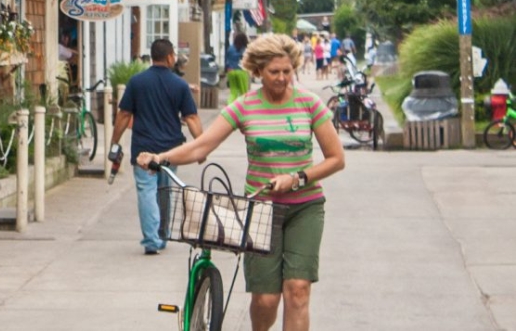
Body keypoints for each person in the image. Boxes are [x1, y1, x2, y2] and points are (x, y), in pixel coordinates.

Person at [137, 34, 345, 331]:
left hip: (305, 208)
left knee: (298, 291)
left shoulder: (308, 104)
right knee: (265, 300)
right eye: (275, 72)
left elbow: (336, 158)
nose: (283, 78)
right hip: (261, 211)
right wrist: (162, 157)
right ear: (258, 71)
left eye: (287, 71)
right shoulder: (245, 106)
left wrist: (297, 178)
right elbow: (202, 146)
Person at [109, 39, 203, 255]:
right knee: (164, 191)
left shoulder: (136, 82)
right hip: (170, 151)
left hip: (143, 150)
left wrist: (115, 141)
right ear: (170, 57)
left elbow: (124, 114)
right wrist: (201, 149)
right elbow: (191, 118)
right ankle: (161, 236)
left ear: (153, 57)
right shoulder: (179, 85)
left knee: (146, 191)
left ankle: (151, 239)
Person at [227, 31, 250, 102]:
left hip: (231, 71)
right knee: (244, 92)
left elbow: (227, 60)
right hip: (241, 71)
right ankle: (244, 108)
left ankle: (229, 106)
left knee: (233, 92)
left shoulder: (230, 48)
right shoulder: (245, 49)